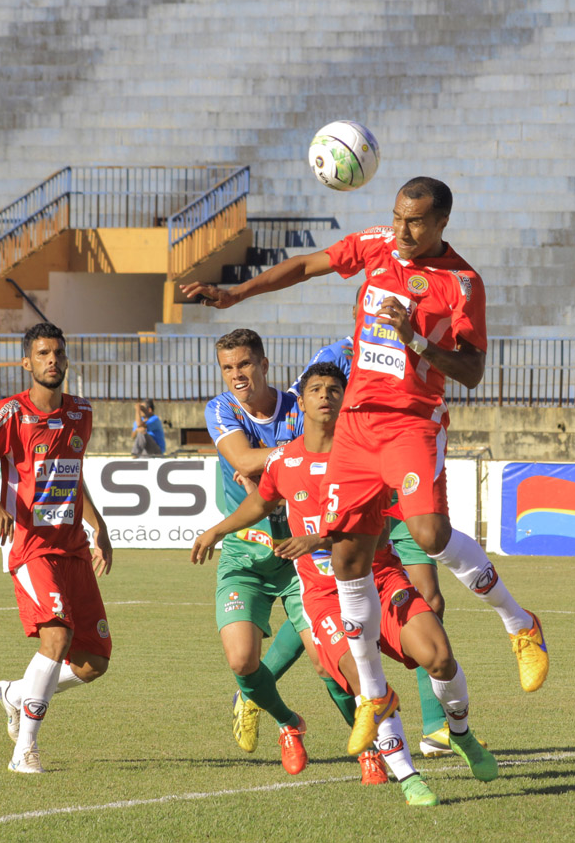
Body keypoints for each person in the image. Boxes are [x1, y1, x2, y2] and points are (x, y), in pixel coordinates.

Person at [183, 177, 548, 755]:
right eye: (397, 217)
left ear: (442, 223)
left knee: (428, 537)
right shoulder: (379, 244)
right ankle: (373, 694)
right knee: (346, 557)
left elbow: (474, 371)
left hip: (410, 423)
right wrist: (237, 294)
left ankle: (519, 622)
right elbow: (306, 266)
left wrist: (417, 343)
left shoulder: (462, 283)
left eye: (415, 223)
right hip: (356, 424)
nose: (402, 231)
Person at [193, 361, 499, 807]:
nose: (324, 396)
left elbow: (397, 507)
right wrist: (216, 531)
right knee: (363, 684)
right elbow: (260, 503)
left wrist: (319, 536)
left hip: (378, 574)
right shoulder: (285, 460)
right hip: (324, 595)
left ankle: (462, 735)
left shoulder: (371, 458)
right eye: (315, 389)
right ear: (300, 401)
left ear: (346, 401)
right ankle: (408, 775)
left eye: (334, 389)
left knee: (439, 658)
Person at [0, 322, 113, 774]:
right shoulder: (10, 413)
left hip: (74, 548)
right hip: (30, 546)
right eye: (43, 354)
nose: (52, 361)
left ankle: (16, 693)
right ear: (27, 362)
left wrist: (98, 527)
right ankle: (24, 750)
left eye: (58, 353)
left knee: (94, 663)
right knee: (57, 636)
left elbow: (72, 477)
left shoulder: (81, 412)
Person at [199, 328, 321, 775]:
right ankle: (277, 714)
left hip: (301, 543)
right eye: (228, 367)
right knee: (241, 659)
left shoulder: (299, 405)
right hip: (247, 550)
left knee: (327, 658)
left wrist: (269, 460)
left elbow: (322, 452)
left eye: (245, 364)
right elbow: (244, 461)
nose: (237, 375)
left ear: (265, 364)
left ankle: (378, 748)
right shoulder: (221, 408)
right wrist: (295, 456)